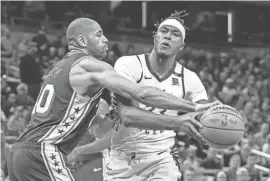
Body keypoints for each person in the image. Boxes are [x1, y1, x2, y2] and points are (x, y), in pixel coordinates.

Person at [7, 17, 219, 181]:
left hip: (19, 153)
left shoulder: (60, 69)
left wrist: (111, 116)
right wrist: (190, 107)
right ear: (82, 41)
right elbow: (142, 93)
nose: (106, 39)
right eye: (99, 35)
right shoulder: (89, 64)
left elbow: (97, 128)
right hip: (44, 152)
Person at [70, 10, 220, 181]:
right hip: (122, 160)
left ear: (182, 45)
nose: (168, 36)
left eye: (175, 34)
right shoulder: (129, 64)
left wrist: (216, 125)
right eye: (164, 31)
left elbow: (205, 116)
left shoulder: (191, 79)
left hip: (162, 158)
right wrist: (178, 122)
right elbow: (127, 115)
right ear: (155, 37)